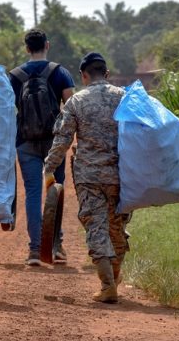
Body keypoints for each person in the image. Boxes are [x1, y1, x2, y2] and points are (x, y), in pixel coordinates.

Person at [43, 52, 130, 303]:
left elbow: (62, 139)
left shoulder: (76, 102)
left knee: (96, 227)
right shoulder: (124, 98)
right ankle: (113, 275)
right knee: (117, 227)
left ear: (83, 76)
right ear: (107, 74)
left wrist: (49, 167)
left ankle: (107, 285)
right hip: (121, 176)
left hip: (89, 177)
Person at [9, 28, 75, 266]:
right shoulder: (60, 72)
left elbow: (8, 109)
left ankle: (35, 250)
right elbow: (71, 106)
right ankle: (56, 247)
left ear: (27, 48)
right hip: (53, 142)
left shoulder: (14, 76)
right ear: (47, 45)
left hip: (25, 142)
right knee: (55, 191)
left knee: (33, 194)